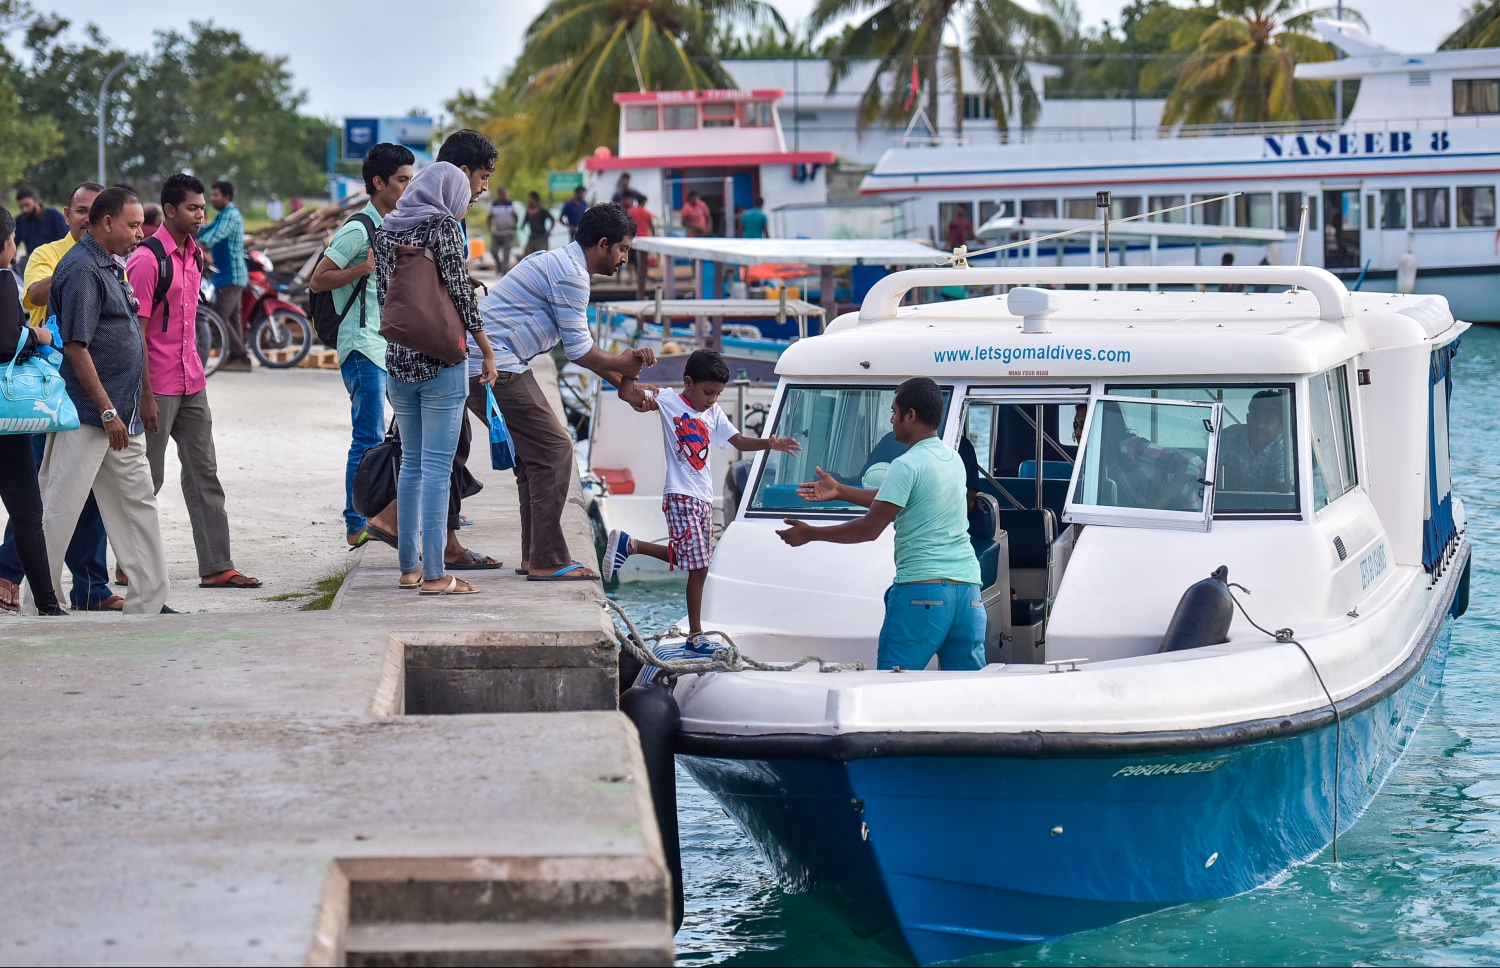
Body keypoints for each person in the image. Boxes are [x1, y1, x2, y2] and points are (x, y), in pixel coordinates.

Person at [471, 203, 654, 581]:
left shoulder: (560, 263)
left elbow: (579, 345)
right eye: (622, 249)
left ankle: (535, 555)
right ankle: (546, 558)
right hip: (492, 363)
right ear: (602, 244)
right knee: (555, 449)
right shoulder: (572, 276)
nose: (624, 259)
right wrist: (624, 366)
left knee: (534, 457)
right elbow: (581, 352)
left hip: (488, 360)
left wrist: (624, 382)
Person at [29, 187, 172, 616]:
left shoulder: (111, 264)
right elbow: (75, 346)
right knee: (60, 506)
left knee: (136, 501)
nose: (139, 233)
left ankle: (148, 601)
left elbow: (129, 335)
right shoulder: (81, 269)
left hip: (120, 415)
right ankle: (41, 601)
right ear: (106, 223)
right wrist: (108, 410)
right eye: (132, 225)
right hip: (90, 415)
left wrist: (139, 398)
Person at [777, 378, 985, 671]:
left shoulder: (906, 463)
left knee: (891, 685)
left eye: (894, 411)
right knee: (967, 691)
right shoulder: (952, 458)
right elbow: (899, 499)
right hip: (968, 595)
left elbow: (869, 529)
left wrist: (810, 533)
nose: (891, 419)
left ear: (910, 415)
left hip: (922, 594)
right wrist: (841, 490)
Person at [601, 349, 800, 645]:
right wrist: (634, 367)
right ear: (689, 382)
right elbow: (627, 392)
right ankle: (696, 633)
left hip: (703, 498)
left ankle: (629, 545)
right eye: (708, 392)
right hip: (680, 494)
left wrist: (770, 444)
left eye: (718, 394)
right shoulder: (668, 400)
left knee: (694, 560)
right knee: (698, 565)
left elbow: (740, 441)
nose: (712, 400)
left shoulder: (713, 413)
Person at [126, 174, 260, 591]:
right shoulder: (147, 261)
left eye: (203, 207)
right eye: (193, 208)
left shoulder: (195, 256)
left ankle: (218, 566)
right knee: (148, 478)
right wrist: (145, 396)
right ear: (169, 210)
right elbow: (136, 336)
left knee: (205, 474)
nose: (201, 214)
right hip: (156, 387)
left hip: (192, 382)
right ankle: (130, 564)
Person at [374, 158, 501, 596]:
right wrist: (486, 348)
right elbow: (461, 294)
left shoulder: (388, 227)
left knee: (410, 464)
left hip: (398, 360)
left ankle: (409, 568)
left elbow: (385, 297)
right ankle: (434, 575)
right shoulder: (442, 227)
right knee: (437, 468)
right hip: (441, 362)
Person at [0, 181, 114, 613]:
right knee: (34, 488)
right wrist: (80, 264)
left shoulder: (115, 258)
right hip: (40, 394)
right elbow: (32, 296)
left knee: (85, 491)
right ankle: (13, 577)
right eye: (81, 210)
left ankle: (90, 587)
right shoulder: (49, 254)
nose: (87, 218)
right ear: (66, 213)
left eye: (95, 211)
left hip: (91, 388)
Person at [310, 143, 414, 548]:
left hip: (382, 347)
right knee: (367, 436)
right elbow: (319, 279)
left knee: (384, 437)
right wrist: (361, 268)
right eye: (402, 180)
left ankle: (376, 514)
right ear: (378, 183)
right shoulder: (358, 229)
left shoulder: (392, 224)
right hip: (360, 347)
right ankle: (356, 524)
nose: (408, 187)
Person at [0, 205, 65, 615]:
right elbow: (6, 342)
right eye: (10, 240)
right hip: (5, 416)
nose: (13, 247)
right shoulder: (4, 277)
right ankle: (46, 602)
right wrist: (38, 333)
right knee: (26, 511)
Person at [199, 179, 250, 372]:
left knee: (219, 316)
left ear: (226, 197)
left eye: (215, 195)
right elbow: (208, 229)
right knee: (232, 319)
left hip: (232, 275)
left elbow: (214, 235)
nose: (212, 199)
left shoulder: (231, 215)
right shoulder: (223, 215)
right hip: (227, 275)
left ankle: (241, 356)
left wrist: (200, 244)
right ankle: (237, 357)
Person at [1216, 390, 1290, 495]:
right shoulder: (1229, 436)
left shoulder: (1287, 446)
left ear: (1282, 426)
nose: (1260, 426)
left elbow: (1283, 489)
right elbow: (1207, 474)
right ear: (1248, 418)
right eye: (1255, 419)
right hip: (1228, 507)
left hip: (1271, 509)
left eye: (1268, 421)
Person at [14, 187, 67, 266]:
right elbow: (13, 243)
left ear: (36, 201)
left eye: (27, 205)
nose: (24, 209)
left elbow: (66, 240)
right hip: (32, 261)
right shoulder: (20, 220)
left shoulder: (54, 216)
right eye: (21, 207)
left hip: (55, 260)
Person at [624, 196, 655, 292]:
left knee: (631, 259)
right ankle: (643, 278)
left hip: (633, 238)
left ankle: (631, 277)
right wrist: (654, 236)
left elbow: (626, 223)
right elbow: (651, 226)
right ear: (644, 202)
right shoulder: (647, 212)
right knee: (644, 260)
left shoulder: (631, 211)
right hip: (644, 239)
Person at [487, 187, 519, 274]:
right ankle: (499, 265)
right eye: (503, 194)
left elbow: (515, 216)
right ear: (499, 194)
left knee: (506, 252)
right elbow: (489, 217)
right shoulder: (493, 205)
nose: (505, 196)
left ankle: (504, 270)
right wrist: (490, 228)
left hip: (508, 232)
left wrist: (514, 226)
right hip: (497, 232)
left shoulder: (511, 204)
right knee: (493, 250)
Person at [522, 192, 554, 256]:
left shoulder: (542, 210)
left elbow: (553, 221)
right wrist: (522, 227)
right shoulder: (529, 211)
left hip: (541, 238)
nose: (528, 201)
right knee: (526, 255)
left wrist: (549, 231)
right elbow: (525, 221)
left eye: (530, 199)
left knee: (541, 257)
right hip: (532, 237)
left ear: (535, 200)